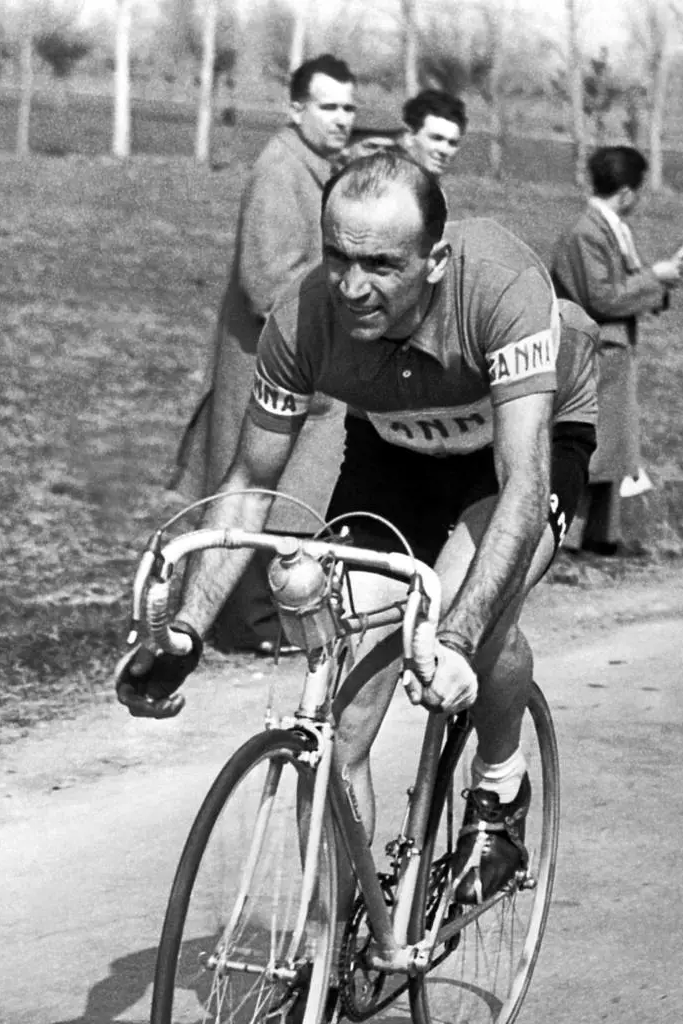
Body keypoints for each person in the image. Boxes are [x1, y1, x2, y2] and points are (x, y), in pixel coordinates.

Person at [119, 151, 597, 916]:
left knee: (469, 617)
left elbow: (522, 487)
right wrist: (183, 634)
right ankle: (331, 944)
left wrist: (456, 635)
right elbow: (248, 483)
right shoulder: (304, 317)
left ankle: (500, 789)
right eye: (338, 256)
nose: (350, 285)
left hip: (516, 453)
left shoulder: (501, 287)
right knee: (339, 721)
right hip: (396, 448)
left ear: (435, 262)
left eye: (380, 265)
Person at [172, 54, 357, 651]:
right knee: (253, 481)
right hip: (263, 359)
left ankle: (259, 620)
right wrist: (339, 286)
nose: (342, 119)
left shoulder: (315, 167)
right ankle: (243, 625)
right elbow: (264, 284)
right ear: (295, 108)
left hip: (297, 358)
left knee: (285, 485)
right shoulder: (280, 171)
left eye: (349, 107)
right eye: (328, 106)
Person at [550, 145, 682, 555]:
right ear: (626, 193)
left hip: (612, 352)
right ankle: (568, 536)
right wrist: (655, 277)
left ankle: (602, 536)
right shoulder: (587, 232)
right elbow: (603, 297)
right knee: (592, 447)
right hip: (593, 352)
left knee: (612, 449)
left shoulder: (610, 228)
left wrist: (657, 285)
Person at [401, 88, 467, 178]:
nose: (444, 150)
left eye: (452, 143)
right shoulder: (388, 183)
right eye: (436, 138)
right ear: (409, 138)